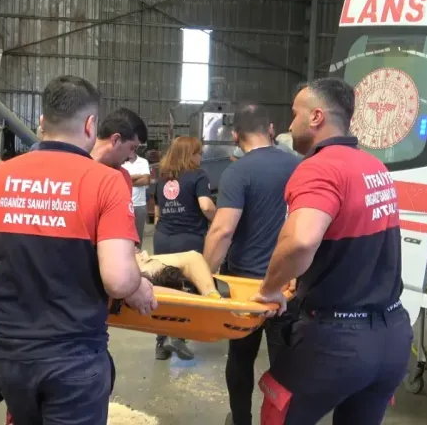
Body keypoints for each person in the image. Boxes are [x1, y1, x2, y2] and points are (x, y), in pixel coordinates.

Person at [0, 75, 157, 425]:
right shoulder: (106, 182)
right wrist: (138, 284)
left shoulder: (2, 173)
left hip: (8, 354)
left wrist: (6, 248)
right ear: (90, 125)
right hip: (71, 356)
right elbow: (118, 280)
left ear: (42, 122)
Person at [251, 77, 412, 425]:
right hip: (392, 336)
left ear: (316, 117)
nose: (290, 124)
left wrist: (270, 288)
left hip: (336, 341)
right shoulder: (374, 167)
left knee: (278, 414)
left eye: (295, 114)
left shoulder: (320, 167)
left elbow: (301, 241)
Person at [202, 103, 300, 425]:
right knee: (285, 364)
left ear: (235, 135)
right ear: (271, 129)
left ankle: (241, 419)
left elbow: (222, 230)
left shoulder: (238, 172)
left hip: (245, 287)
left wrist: (203, 276)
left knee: (241, 358)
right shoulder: (298, 167)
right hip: (287, 284)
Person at [152, 136, 216, 361]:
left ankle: (161, 344)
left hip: (162, 238)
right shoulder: (198, 175)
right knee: (187, 288)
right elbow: (206, 205)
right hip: (188, 240)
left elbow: (158, 213)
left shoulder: (162, 178)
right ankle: (177, 336)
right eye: (198, 153)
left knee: (164, 288)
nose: (200, 157)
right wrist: (220, 220)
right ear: (190, 155)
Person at [122, 149, 151, 246]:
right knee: (125, 236)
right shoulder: (121, 162)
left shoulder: (143, 162)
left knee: (138, 238)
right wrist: (139, 176)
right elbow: (119, 179)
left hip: (140, 205)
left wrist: (127, 179)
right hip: (124, 204)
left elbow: (146, 180)